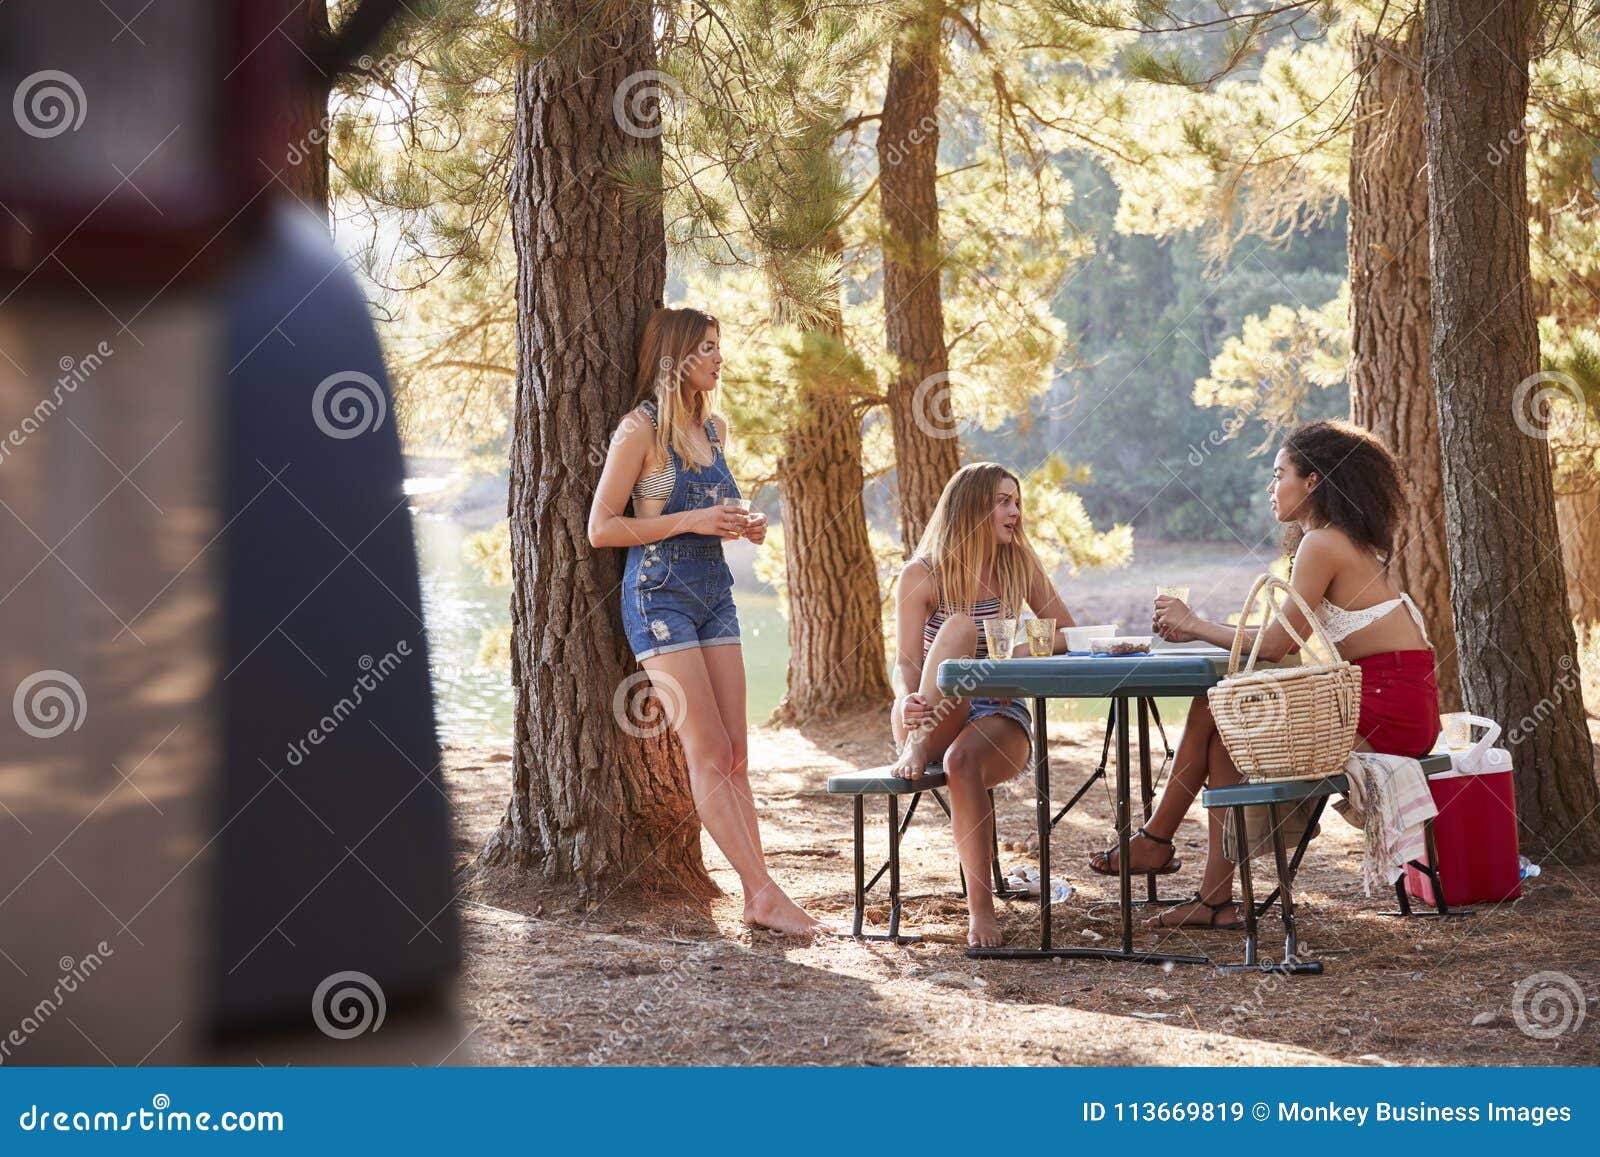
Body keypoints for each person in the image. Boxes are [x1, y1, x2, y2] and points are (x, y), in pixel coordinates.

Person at [1087, 420, 1441, 930]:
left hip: (1390, 708)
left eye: (1279, 475)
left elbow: (1276, 646)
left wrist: (1193, 624)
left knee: (1213, 706)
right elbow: (1280, 632)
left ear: (1313, 481)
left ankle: (1157, 843)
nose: (1271, 488)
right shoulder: (1339, 540)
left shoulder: (1323, 542)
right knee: (1221, 728)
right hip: (1391, 698)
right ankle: (1212, 899)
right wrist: (1199, 629)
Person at [589, 306, 827, 937]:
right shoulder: (637, 430)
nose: (720, 358)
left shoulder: (713, 428)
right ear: (676, 358)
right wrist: (689, 522)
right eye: (709, 348)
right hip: (658, 596)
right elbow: (602, 527)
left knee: (739, 754)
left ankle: (759, 893)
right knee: (710, 749)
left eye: (720, 346)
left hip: (715, 592)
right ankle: (763, 893)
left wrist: (742, 523)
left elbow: (715, 509)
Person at [890, 463, 1077, 947]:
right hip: (928, 711)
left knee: (961, 760)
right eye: (1002, 501)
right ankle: (915, 742)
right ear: (971, 507)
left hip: (997, 713)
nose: (1014, 511)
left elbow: (1068, 632)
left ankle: (981, 913)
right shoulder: (922, 574)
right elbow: (905, 666)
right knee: (959, 629)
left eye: (1016, 501)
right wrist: (905, 702)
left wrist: (1011, 650)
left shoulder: (1019, 564)